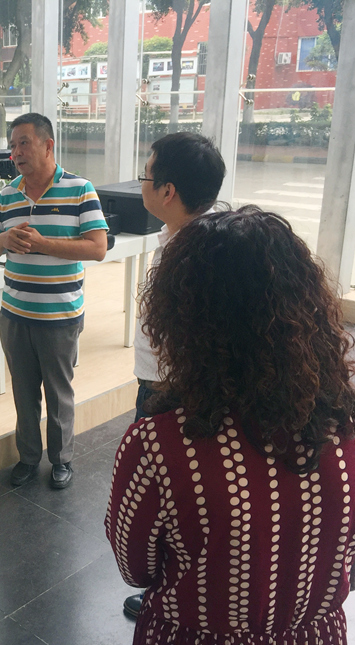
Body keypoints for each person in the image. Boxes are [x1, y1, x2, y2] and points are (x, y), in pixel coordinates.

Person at [105, 207, 355, 644]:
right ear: (308, 309)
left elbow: (135, 569)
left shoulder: (159, 446)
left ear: (182, 322)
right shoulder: (352, 423)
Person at [124, 132, 226, 618]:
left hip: (172, 394)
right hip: (162, 387)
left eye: (146, 174)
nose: (141, 183)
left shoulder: (198, 254)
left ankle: (172, 597)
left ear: (168, 191)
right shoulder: (181, 239)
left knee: (167, 500)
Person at [0, 112, 108, 490]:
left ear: (48, 145)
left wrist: (42, 243)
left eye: (24, 143)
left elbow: (97, 248)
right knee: (23, 394)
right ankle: (28, 457)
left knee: (58, 393)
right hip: (15, 314)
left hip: (60, 316)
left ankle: (61, 459)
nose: (16, 152)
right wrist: (4, 240)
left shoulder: (80, 189)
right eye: (12, 145)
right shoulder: (7, 195)